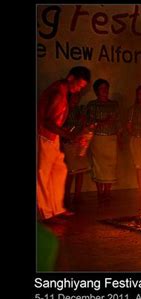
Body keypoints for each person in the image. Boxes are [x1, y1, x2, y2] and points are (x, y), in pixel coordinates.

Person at [37, 66, 91, 220]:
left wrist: (64, 135)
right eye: (79, 85)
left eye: (82, 87)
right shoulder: (58, 93)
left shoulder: (62, 92)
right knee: (43, 174)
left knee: (59, 170)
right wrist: (68, 134)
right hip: (44, 137)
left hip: (52, 138)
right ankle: (45, 213)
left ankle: (56, 208)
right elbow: (48, 122)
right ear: (71, 78)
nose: (80, 89)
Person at [86, 79, 122, 201]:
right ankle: (99, 192)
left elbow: (118, 123)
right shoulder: (92, 105)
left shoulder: (114, 105)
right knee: (99, 165)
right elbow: (89, 123)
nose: (105, 90)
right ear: (97, 90)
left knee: (110, 165)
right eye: (102, 88)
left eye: (106, 88)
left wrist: (119, 139)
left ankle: (107, 191)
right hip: (98, 139)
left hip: (111, 138)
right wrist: (103, 121)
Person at [61, 92, 91, 206]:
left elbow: (85, 126)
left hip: (79, 143)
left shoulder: (80, 110)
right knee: (71, 171)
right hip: (68, 143)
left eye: (78, 96)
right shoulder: (64, 110)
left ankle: (77, 196)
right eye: (74, 96)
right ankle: (67, 195)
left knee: (80, 170)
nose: (76, 99)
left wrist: (84, 124)